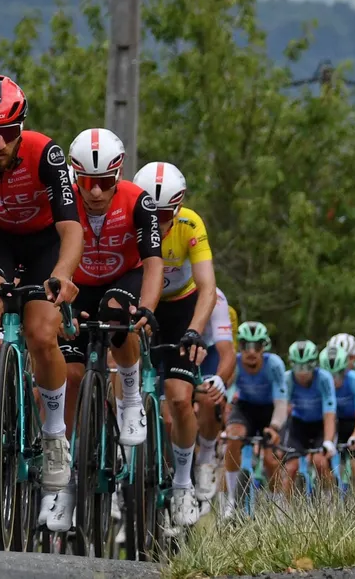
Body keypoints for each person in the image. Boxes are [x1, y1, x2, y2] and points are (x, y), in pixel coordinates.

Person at [0, 75, 81, 495]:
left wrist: (62, 273)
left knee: (42, 333)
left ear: (20, 127)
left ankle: (55, 434)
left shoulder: (47, 154)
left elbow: (72, 230)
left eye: (8, 132)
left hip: (44, 243)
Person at [45, 127, 164, 532]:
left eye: (105, 182)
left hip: (122, 278)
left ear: (120, 174)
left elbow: (152, 263)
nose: (95, 192)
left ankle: (130, 397)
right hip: (79, 283)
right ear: (75, 176)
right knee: (73, 375)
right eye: (87, 182)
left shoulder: (139, 202)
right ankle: (67, 486)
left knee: (119, 317)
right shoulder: (62, 200)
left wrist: (146, 308)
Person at [132, 161, 221, 508]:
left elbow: (208, 288)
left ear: (179, 205)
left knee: (181, 398)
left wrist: (195, 331)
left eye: (167, 214)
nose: (159, 223)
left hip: (180, 308)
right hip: (141, 303)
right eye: (152, 216)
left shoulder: (190, 223)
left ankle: (183, 483)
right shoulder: (128, 216)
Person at [220, 323, 288, 517]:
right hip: (245, 408)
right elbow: (228, 397)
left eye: (256, 346)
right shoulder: (235, 362)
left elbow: (282, 403)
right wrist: (226, 426)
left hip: (270, 411)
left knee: (270, 459)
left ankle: (278, 506)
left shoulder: (274, 364)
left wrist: (274, 428)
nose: (251, 352)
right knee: (233, 438)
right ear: (239, 347)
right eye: (245, 346)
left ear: (263, 347)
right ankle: (232, 500)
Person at [192, 287, 236, 502]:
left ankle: (206, 457)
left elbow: (227, 352)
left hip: (207, 352)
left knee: (210, 397)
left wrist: (220, 379)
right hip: (171, 347)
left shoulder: (216, 297)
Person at [277, 340, 337, 496]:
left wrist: (328, 441)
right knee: (290, 467)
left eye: (306, 367)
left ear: (314, 365)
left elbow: (330, 414)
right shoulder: (287, 379)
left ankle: (330, 501)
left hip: (320, 425)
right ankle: (284, 512)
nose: (302, 372)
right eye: (297, 366)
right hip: (298, 425)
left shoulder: (324, 379)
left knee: (320, 462)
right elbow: (282, 413)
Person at [325, 345, 355, 493]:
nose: (334, 380)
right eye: (330, 375)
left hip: (353, 423)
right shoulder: (320, 382)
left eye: (338, 374)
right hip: (331, 423)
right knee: (325, 467)